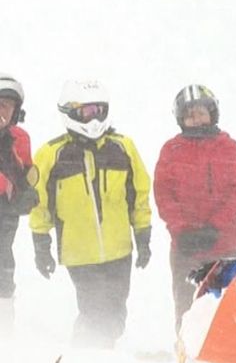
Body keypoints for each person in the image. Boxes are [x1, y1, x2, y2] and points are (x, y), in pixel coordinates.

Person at [29, 80, 153, 348]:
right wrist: (41, 244)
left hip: (120, 250)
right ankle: (92, 359)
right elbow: (38, 203)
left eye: (98, 110)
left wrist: (143, 236)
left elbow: (139, 194)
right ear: (69, 113)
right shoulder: (51, 154)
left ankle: (91, 351)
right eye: (86, 112)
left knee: (117, 310)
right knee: (94, 311)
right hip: (79, 252)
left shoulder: (123, 147)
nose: (94, 117)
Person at [154, 84, 236, 329]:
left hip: (227, 246)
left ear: (212, 112)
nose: (196, 119)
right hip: (186, 249)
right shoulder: (171, 150)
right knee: (188, 308)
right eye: (189, 115)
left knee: (232, 305)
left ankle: (232, 354)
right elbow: (164, 195)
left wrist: (215, 227)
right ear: (181, 119)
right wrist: (183, 230)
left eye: (200, 112)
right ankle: (187, 354)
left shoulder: (228, 147)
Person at [0, 74, 37, 334]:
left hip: (5, 214)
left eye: (7, 104)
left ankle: (5, 330)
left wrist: (27, 194)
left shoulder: (20, 139)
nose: (1, 109)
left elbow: (27, 175)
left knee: (3, 265)